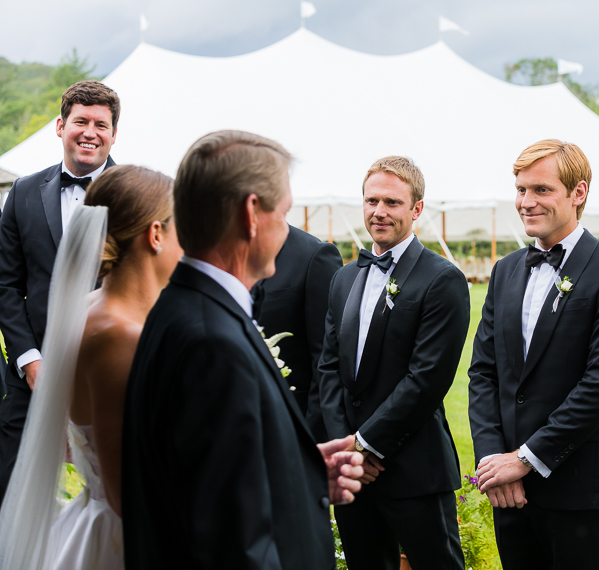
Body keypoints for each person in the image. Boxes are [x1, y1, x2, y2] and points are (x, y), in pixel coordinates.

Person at [122, 130, 364, 569]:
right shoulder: (210, 342)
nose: (289, 230)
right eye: (286, 212)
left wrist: (298, 469)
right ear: (252, 214)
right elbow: (232, 542)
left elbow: (210, 475)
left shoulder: (184, 307)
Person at [468, 139, 599, 570]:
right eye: (521, 189)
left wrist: (525, 460)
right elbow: (484, 372)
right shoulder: (506, 269)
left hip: (578, 489)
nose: (526, 202)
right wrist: (494, 461)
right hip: (509, 492)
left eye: (541, 190)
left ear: (578, 193)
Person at [0, 165, 181, 569]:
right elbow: (126, 491)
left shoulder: (90, 311)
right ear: (156, 235)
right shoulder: (120, 335)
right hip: (130, 542)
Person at [318, 156, 469, 570]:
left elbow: (427, 379)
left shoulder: (442, 280)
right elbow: (329, 368)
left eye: (392, 202)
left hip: (415, 468)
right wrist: (346, 449)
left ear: (417, 208)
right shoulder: (344, 277)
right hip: (353, 474)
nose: (379, 212)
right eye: (371, 201)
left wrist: (366, 445)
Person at [0, 80, 120, 501]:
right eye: (80, 121)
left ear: (113, 134)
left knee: (114, 491)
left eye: (101, 125)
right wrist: (30, 361)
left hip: (111, 369)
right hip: (34, 370)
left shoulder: (134, 196)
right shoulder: (23, 192)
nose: (90, 132)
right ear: (59, 127)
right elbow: (5, 284)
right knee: (13, 488)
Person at [252, 225, 342, 441]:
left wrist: (310, 443)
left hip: (292, 429)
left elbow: (326, 362)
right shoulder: (213, 251)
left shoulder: (314, 255)